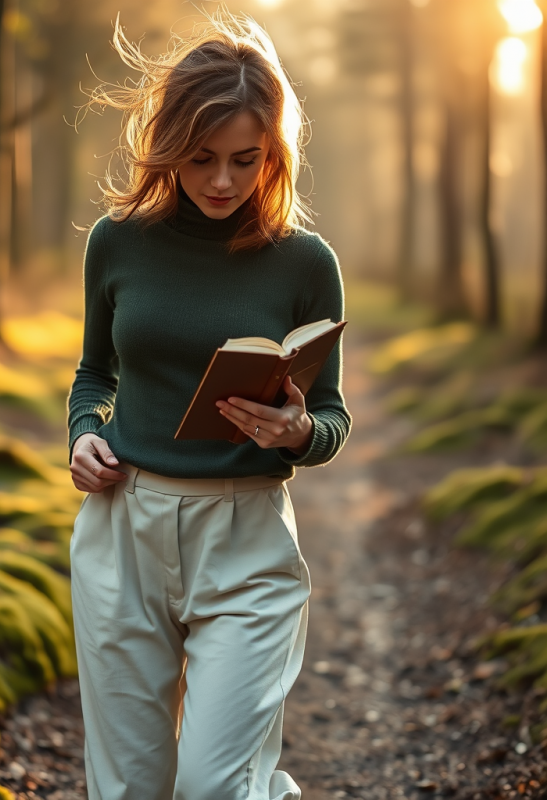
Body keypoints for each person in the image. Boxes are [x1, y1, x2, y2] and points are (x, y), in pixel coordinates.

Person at [66, 8, 351, 800]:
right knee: (128, 790)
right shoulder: (118, 241)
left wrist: (298, 432)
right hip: (126, 528)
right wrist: (84, 433)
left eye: (245, 159)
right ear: (167, 148)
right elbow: (94, 373)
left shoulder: (304, 262)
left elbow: (331, 418)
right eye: (200, 159)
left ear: (274, 153)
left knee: (216, 788)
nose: (223, 180)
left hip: (247, 538)